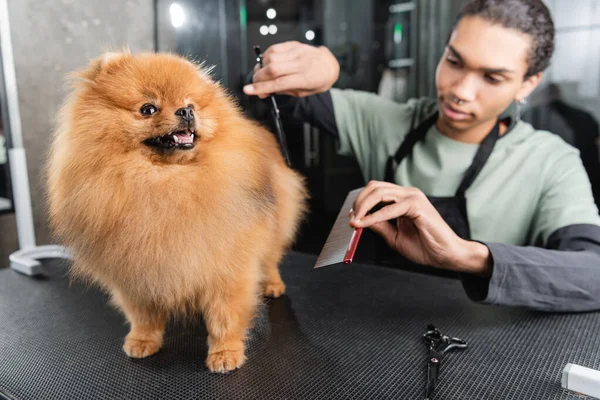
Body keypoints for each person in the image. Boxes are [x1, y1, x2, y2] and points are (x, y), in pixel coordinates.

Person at [243, 0, 600, 312]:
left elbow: (592, 274)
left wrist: (467, 255)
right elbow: (266, 95)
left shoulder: (551, 161)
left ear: (527, 84)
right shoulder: (388, 122)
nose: (460, 90)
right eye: (454, 61)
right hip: (375, 324)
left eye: (492, 78)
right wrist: (313, 68)